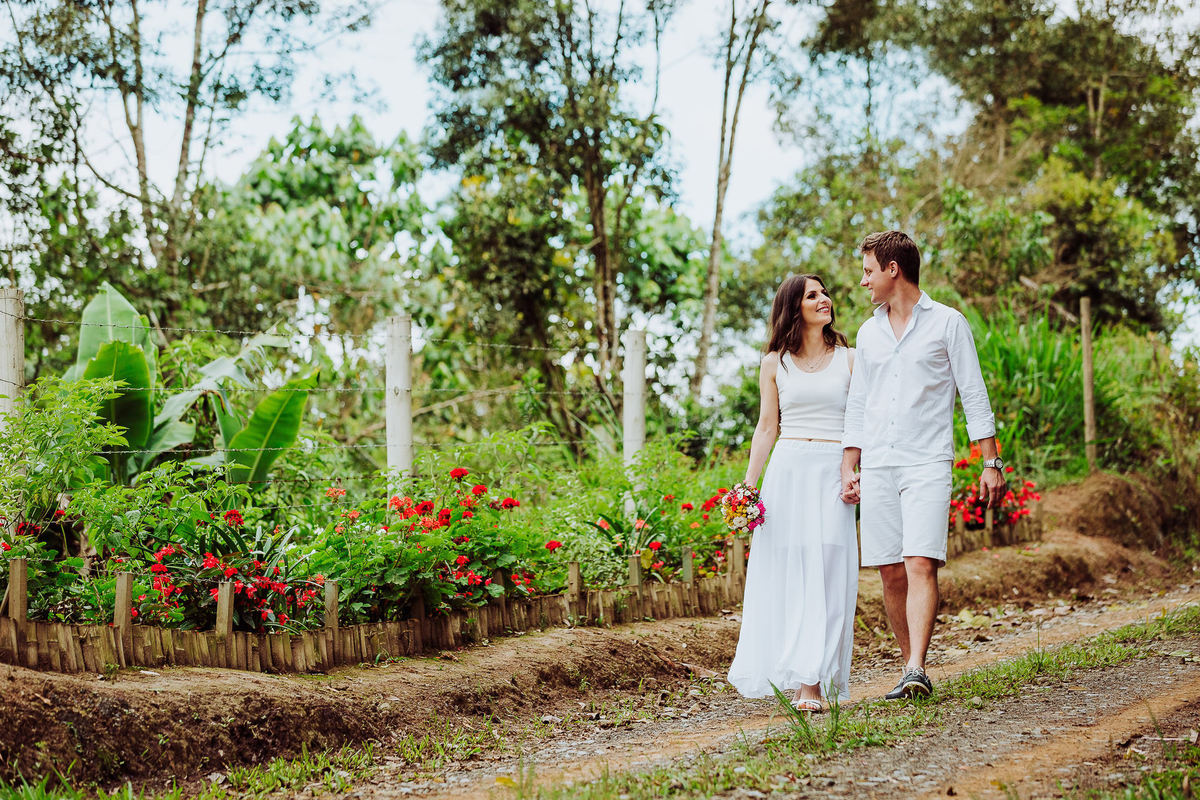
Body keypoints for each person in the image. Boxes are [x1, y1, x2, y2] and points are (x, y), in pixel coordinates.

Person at [840, 230, 1006, 700]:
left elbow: (973, 394)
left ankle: (916, 667)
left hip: (928, 461)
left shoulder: (948, 323)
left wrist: (990, 460)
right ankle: (909, 668)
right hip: (879, 464)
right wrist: (850, 463)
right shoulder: (869, 332)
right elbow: (859, 401)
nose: (862, 281)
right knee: (889, 569)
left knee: (919, 562)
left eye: (868, 270)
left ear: (893, 270)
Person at [727, 274, 859, 713]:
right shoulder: (774, 364)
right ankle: (804, 680)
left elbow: (861, 424)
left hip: (833, 474)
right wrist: (748, 485)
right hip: (787, 474)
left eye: (824, 293)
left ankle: (816, 678)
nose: (824, 299)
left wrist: (856, 471)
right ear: (793, 308)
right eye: (812, 295)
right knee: (795, 574)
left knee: (828, 570)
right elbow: (767, 427)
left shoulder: (851, 360)